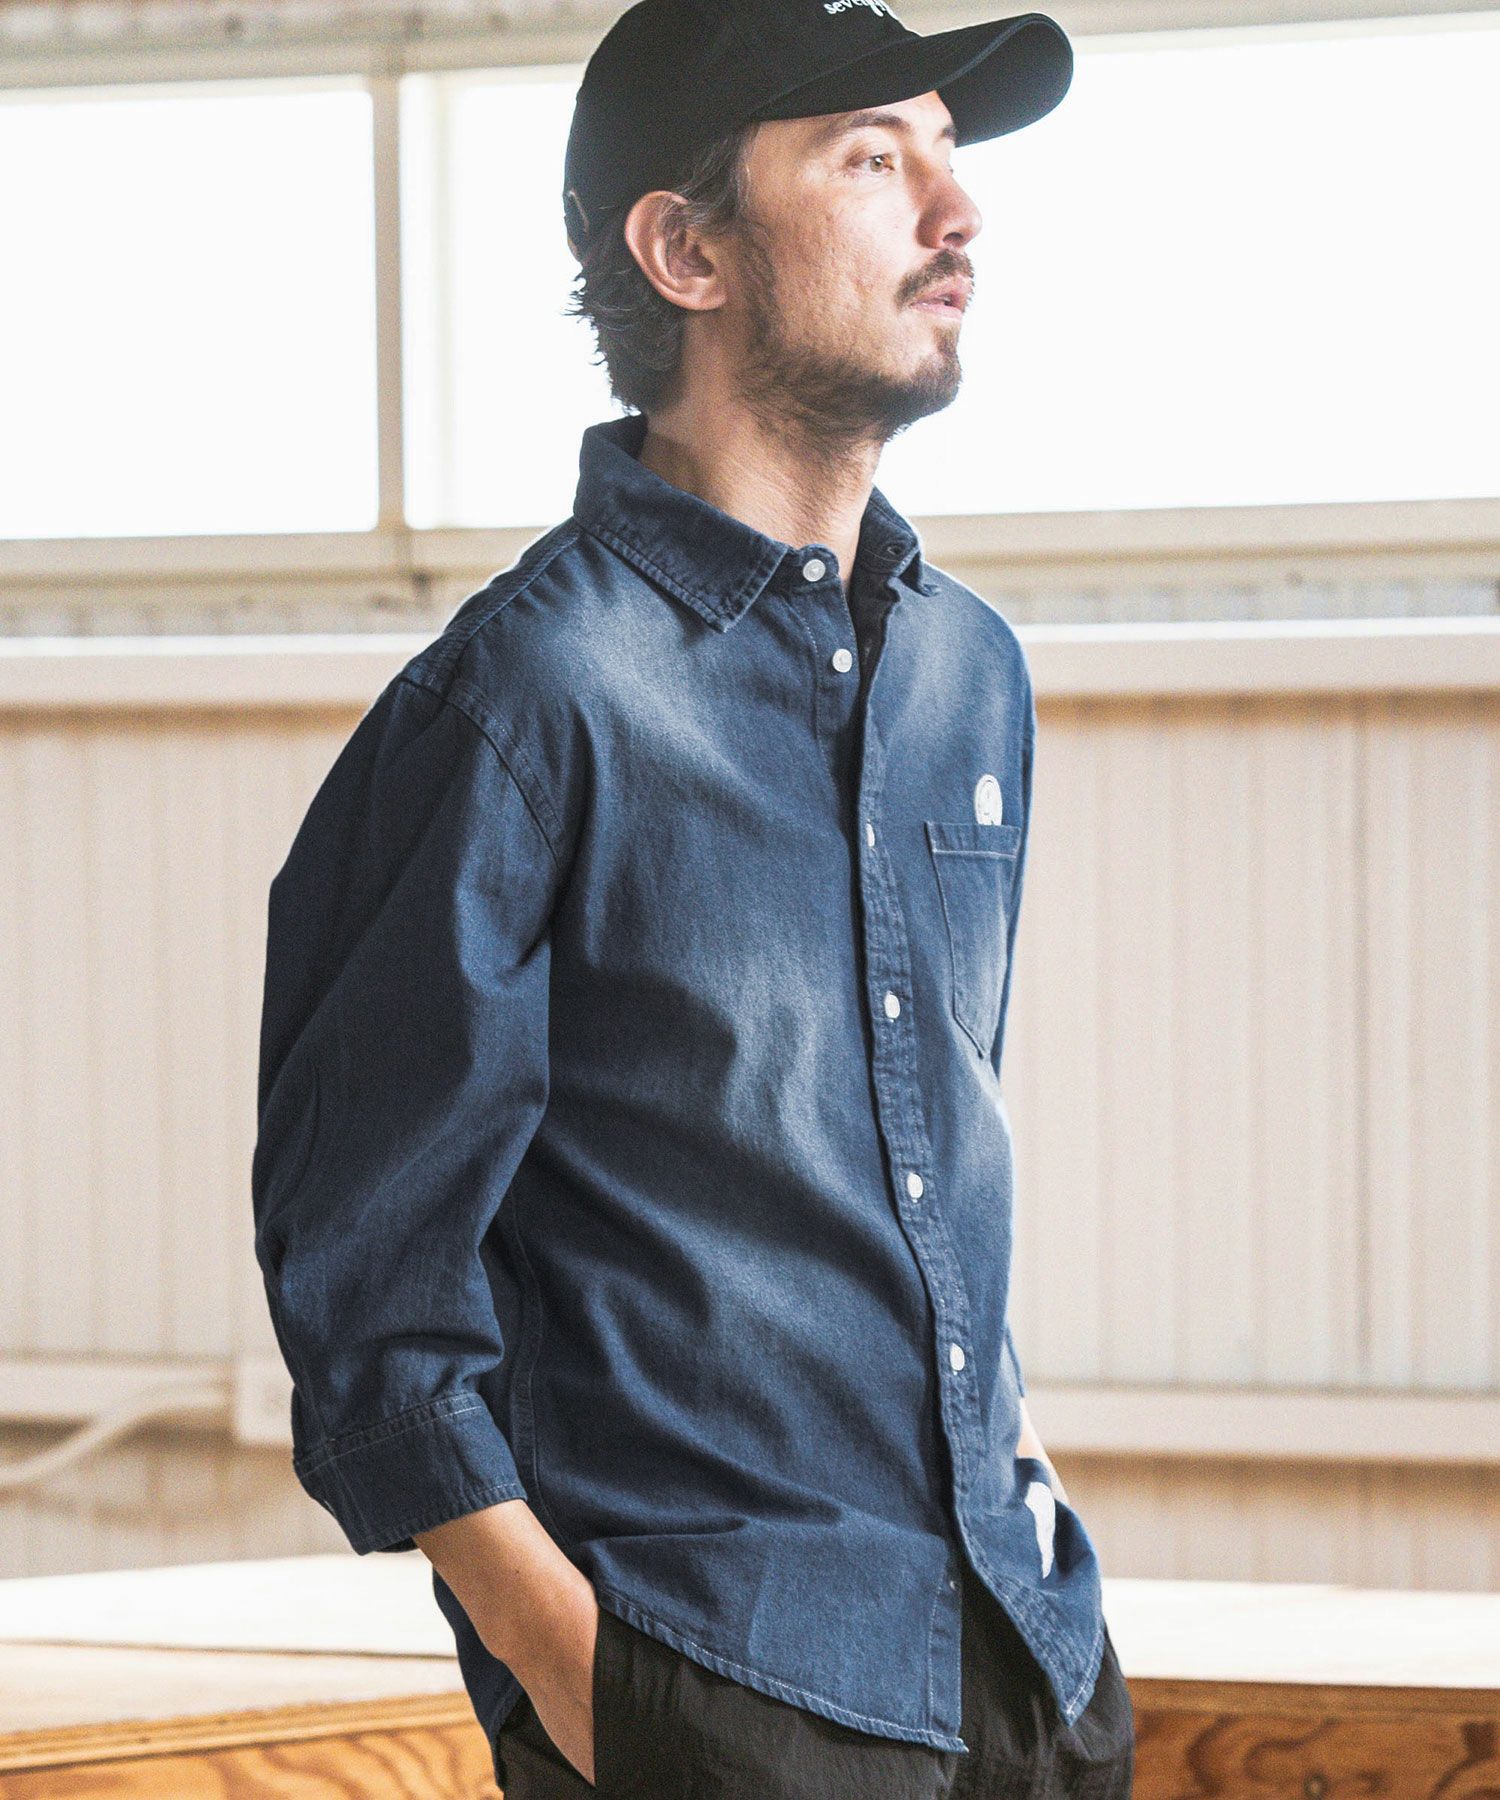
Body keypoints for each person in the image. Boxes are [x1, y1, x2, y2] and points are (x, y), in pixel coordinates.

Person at [250, 0, 1136, 1792]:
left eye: (948, 155)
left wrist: (1031, 1526)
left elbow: (922, 1157)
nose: (956, 213)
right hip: (715, 1690)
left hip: (1019, 1674)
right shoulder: (520, 704)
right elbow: (367, 1291)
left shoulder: (968, 674)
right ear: (686, 250)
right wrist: (591, 1688)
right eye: (872, 160)